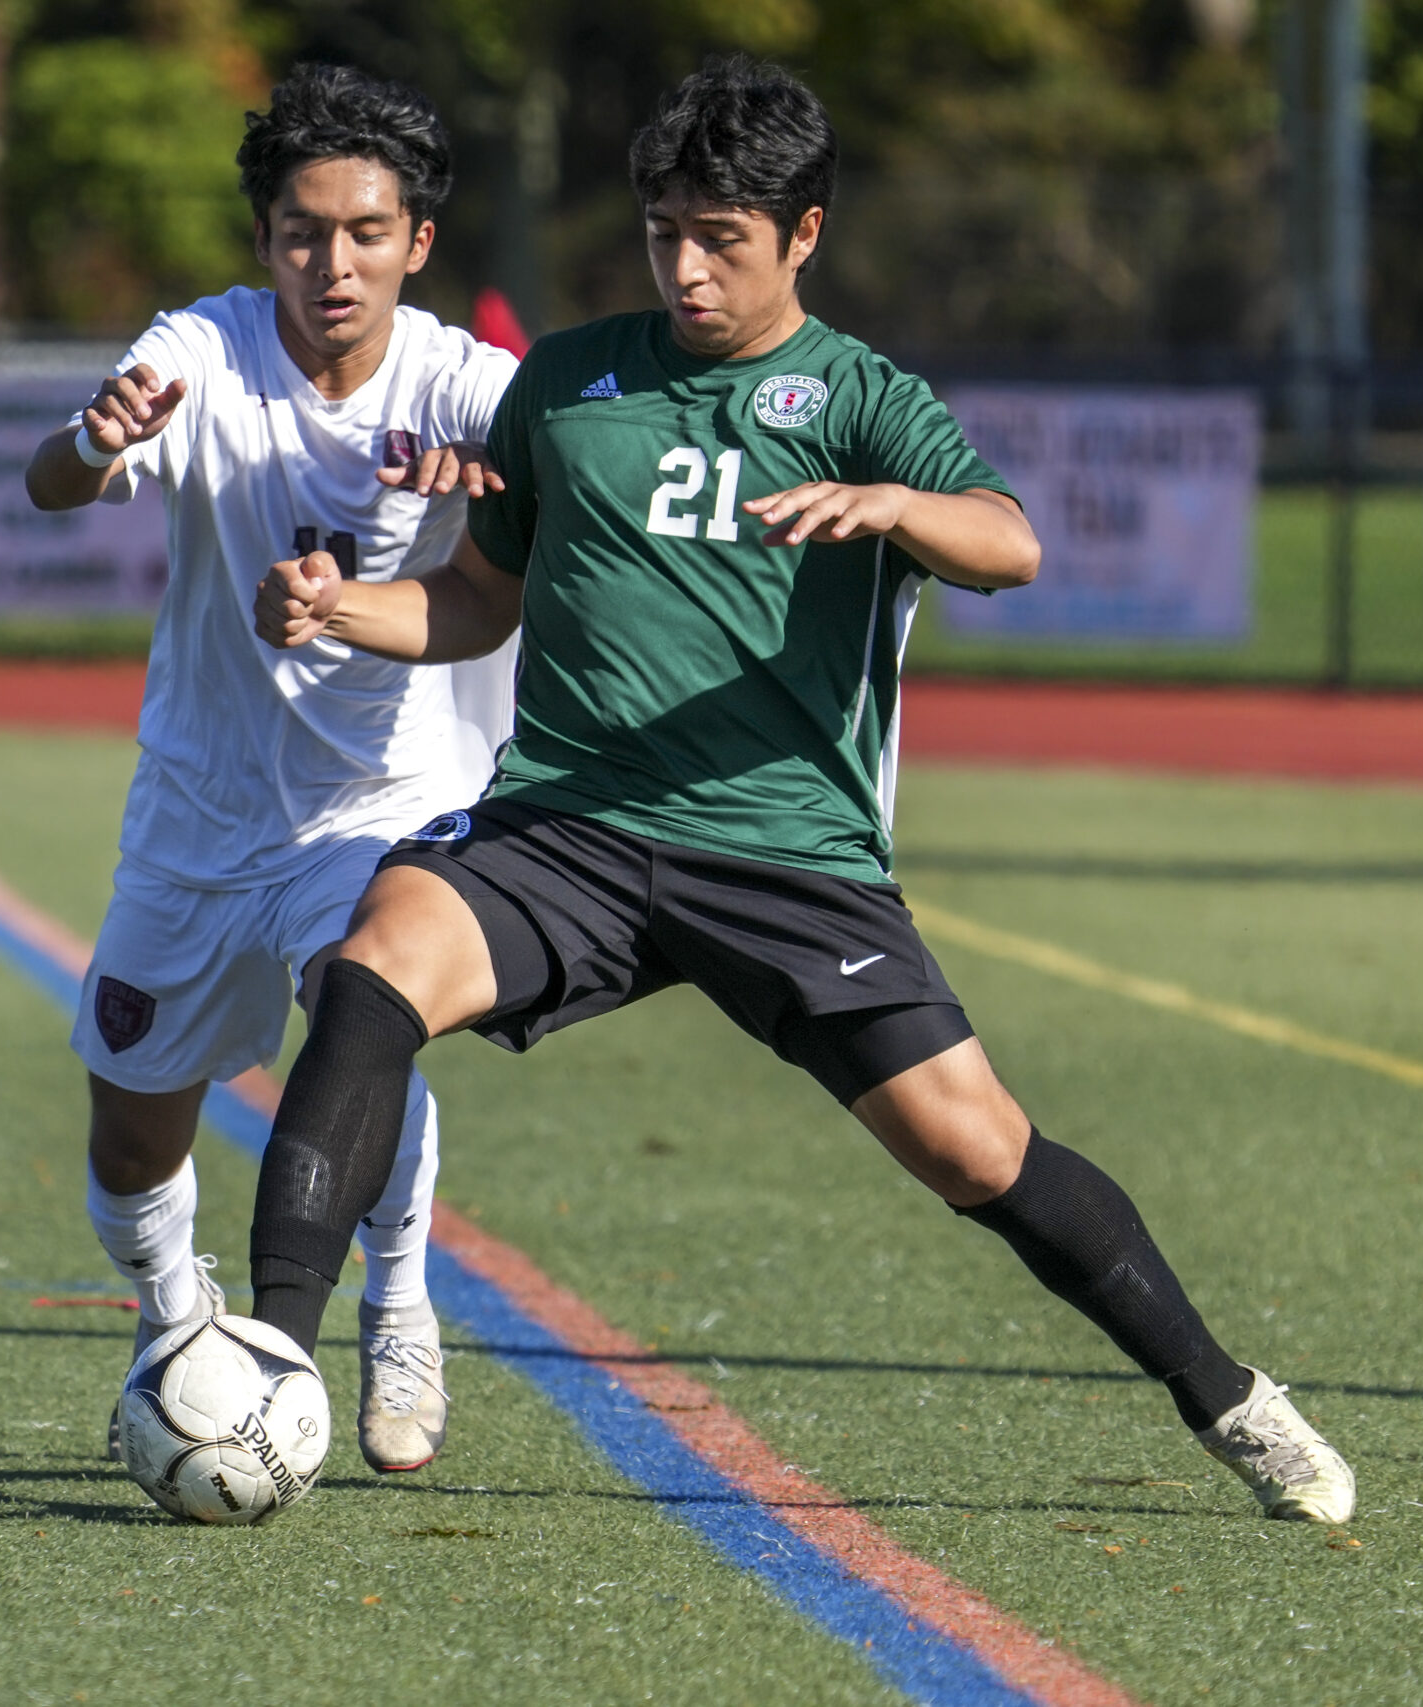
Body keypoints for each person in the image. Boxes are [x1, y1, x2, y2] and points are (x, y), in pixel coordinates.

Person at [244, 57, 1354, 1523]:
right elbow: (471, 604)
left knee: (979, 1151)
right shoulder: (570, 381)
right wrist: (340, 607)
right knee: (373, 966)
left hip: (785, 855)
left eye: (725, 239)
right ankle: (271, 1364)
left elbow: (1010, 544)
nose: (688, 269)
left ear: (805, 234)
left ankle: (1230, 1399)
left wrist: (897, 507)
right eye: (664, 233)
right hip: (568, 828)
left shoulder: (862, 397)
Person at [25, 61, 519, 1474]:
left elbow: (537, 557)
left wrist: (506, 490)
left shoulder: (472, 386)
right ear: (265, 241)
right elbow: (53, 486)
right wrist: (90, 439)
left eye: (367, 232)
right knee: (130, 1138)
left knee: (369, 1019)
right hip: (199, 806)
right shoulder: (200, 348)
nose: (334, 263)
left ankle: (404, 1308)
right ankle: (179, 1318)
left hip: (386, 801)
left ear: (417, 243)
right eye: (305, 231)